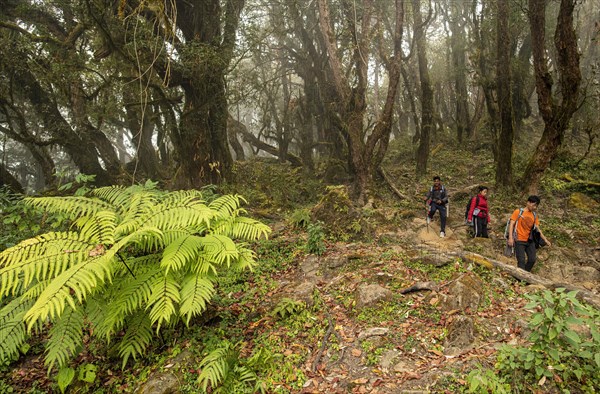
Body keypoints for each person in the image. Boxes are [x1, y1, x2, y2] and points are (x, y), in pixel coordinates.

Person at [507, 195, 551, 272]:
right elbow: (511, 224)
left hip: (530, 241)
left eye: (536, 206)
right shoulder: (518, 212)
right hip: (519, 240)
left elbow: (537, 229)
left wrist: (545, 240)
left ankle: (524, 276)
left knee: (532, 259)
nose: (534, 207)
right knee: (521, 261)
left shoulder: (534, 215)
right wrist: (510, 238)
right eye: (534, 205)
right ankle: (521, 279)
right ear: (528, 203)